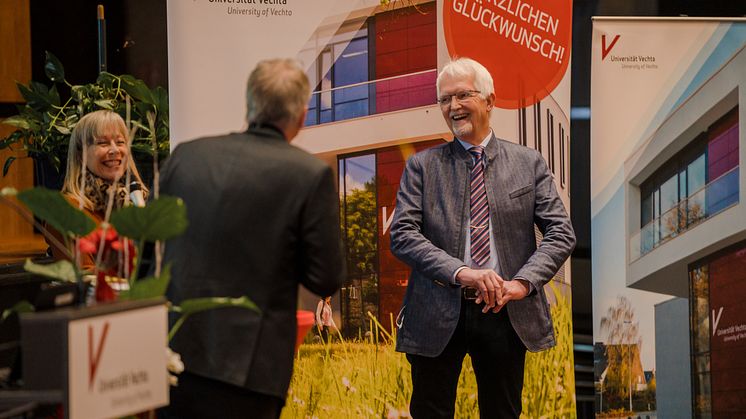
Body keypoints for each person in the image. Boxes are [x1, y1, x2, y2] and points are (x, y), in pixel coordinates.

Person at [390, 57, 576, 418]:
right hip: (435, 310)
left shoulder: (529, 162)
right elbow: (403, 234)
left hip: (505, 312)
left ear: (490, 100)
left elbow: (560, 232)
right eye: (444, 100)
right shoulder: (421, 167)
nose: (453, 107)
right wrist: (462, 272)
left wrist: (522, 283)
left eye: (462, 96)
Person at [160, 58, 345, 419]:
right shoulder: (309, 174)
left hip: (175, 355)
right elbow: (326, 277)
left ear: (248, 104)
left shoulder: (187, 156)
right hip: (250, 371)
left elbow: (154, 248)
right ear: (302, 116)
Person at [48, 109, 148, 270]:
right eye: (103, 143)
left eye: (120, 142)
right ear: (81, 155)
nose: (115, 150)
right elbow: (86, 281)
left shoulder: (139, 202)